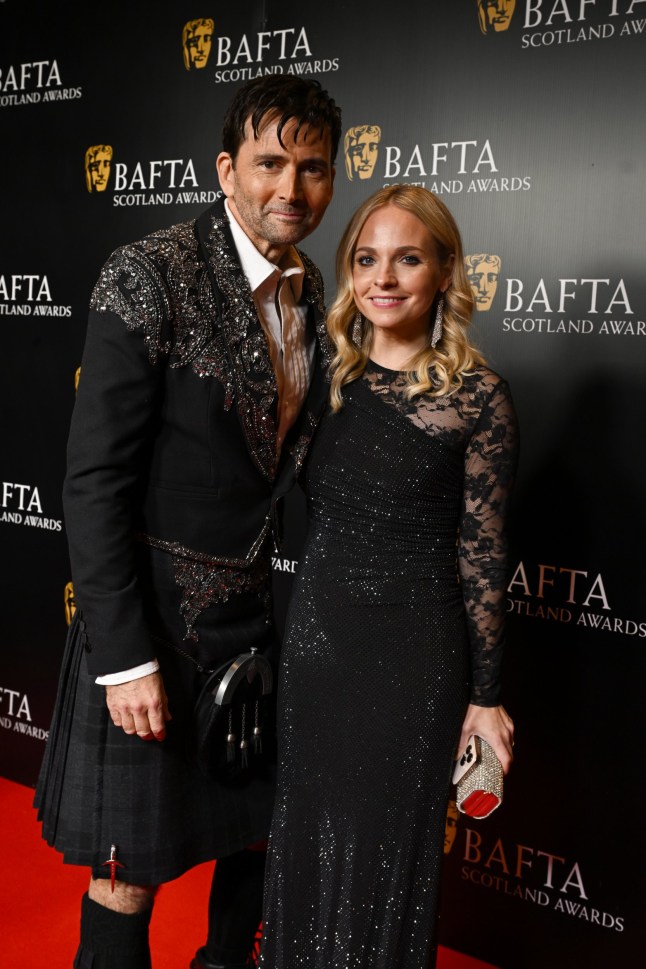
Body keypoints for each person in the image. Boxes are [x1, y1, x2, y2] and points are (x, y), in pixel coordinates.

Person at [34, 74, 341, 969]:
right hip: (153, 625)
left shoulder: (311, 284)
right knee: (128, 871)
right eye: (269, 163)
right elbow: (93, 480)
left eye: (313, 167)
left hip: (252, 623)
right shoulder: (148, 271)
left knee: (255, 836)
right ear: (225, 169)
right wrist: (122, 656)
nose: (291, 188)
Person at [260, 185, 518, 969]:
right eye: (367, 259)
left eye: (408, 258)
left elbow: (484, 559)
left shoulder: (480, 399)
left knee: (389, 863)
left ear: (444, 271)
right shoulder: (322, 381)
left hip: (414, 662)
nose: (384, 277)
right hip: (317, 651)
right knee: (306, 846)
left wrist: (487, 695)